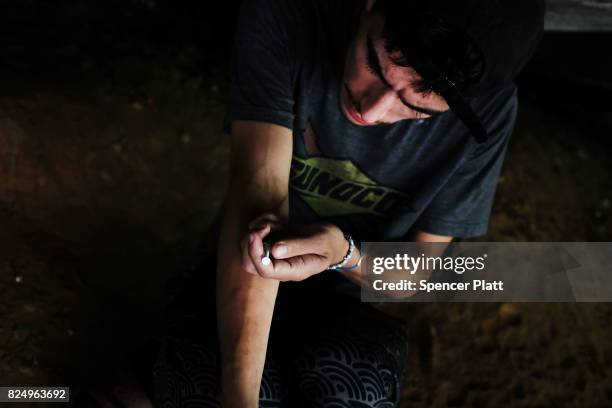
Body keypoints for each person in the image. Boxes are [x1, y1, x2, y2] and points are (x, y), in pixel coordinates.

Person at [152, 0, 546, 407]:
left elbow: (413, 273)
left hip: (345, 302)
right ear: (371, 6)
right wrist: (240, 398)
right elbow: (257, 196)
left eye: (415, 107)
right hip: (236, 271)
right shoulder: (289, 14)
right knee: (199, 389)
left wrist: (344, 254)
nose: (371, 110)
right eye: (375, 66)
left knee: (350, 393)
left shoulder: (490, 113)